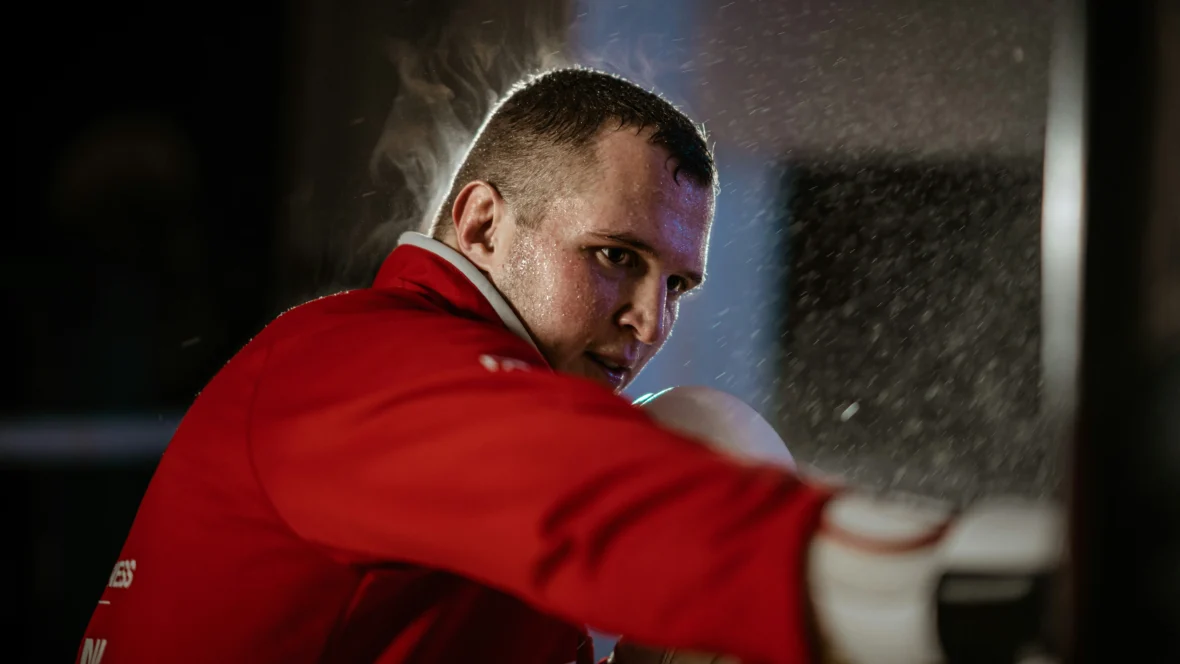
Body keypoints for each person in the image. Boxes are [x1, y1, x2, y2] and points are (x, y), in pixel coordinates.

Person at [77, 67, 1060, 664]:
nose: (647, 319)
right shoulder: (351, 359)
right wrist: (964, 584)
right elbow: (593, 499)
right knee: (697, 450)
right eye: (614, 258)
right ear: (481, 223)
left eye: (677, 283)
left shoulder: (474, 413)